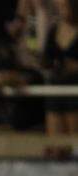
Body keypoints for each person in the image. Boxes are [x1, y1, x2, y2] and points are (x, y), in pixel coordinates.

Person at [43, 0, 78, 135]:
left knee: (74, 143)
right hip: (55, 86)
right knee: (56, 144)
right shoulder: (53, 30)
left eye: (65, 6)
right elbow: (46, 58)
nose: (61, 9)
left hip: (75, 89)